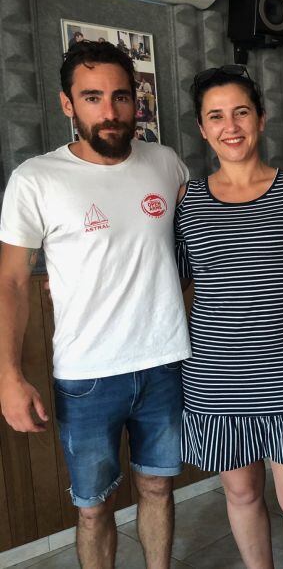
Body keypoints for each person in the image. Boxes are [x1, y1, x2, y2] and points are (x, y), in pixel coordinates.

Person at [0, 40, 189, 569]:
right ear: (68, 104)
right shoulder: (35, 179)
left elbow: (196, 243)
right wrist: (7, 376)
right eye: (92, 97)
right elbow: (12, 282)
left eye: (121, 97)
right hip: (87, 376)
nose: (109, 111)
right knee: (93, 510)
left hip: (164, 361)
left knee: (158, 490)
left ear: (138, 102)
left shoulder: (166, 163)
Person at [176, 65, 283, 568]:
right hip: (216, 377)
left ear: (262, 119)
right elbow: (163, 278)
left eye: (241, 112)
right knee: (243, 495)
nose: (231, 126)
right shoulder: (187, 203)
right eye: (217, 116)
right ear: (203, 129)